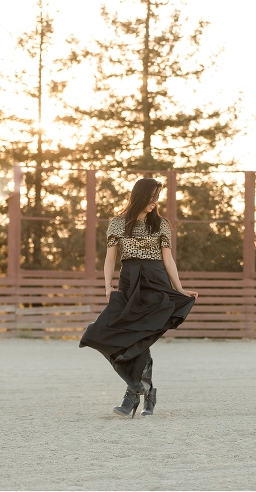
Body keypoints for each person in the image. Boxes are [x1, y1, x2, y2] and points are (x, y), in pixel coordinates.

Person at [79, 178, 198, 418]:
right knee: (97, 333)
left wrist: (180, 289)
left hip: (155, 282)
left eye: (158, 196)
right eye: (152, 196)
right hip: (129, 282)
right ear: (140, 196)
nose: (155, 201)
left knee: (140, 336)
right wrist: (107, 286)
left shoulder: (162, 224)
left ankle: (132, 395)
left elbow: (168, 260)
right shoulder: (117, 223)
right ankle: (144, 388)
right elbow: (110, 258)